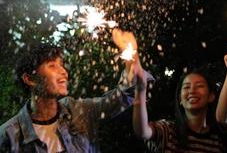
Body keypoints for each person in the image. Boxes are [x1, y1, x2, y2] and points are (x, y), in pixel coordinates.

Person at [0, 28, 152, 152]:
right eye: (52, 66)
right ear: (29, 79)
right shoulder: (9, 136)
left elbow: (124, 95)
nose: (64, 72)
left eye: (62, 65)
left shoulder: (80, 112)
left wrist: (131, 54)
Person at [129, 33, 227, 153]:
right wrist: (140, 90)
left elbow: (223, 119)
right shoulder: (168, 131)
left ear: (211, 96)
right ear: (180, 98)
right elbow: (142, 131)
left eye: (199, 86)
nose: (192, 91)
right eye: (186, 87)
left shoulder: (219, 140)